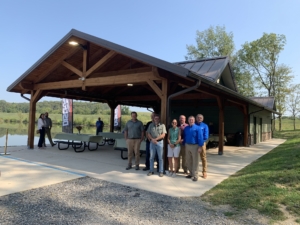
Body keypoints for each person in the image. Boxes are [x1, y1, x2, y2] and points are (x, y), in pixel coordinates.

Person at [183, 116, 204, 182]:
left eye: (192, 120)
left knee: (195, 161)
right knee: (188, 160)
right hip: (187, 145)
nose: (191, 121)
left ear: (194, 120)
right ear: (188, 121)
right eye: (190, 120)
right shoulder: (186, 128)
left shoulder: (198, 128)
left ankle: (195, 175)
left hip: (195, 146)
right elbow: (185, 136)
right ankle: (191, 173)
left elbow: (200, 137)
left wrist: (200, 146)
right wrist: (184, 144)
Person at [195, 114, 209, 179]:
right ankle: (195, 172)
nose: (199, 119)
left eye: (200, 118)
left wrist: (200, 144)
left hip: (202, 143)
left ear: (202, 119)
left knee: (203, 157)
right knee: (194, 158)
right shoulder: (194, 125)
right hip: (194, 144)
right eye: (198, 117)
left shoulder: (205, 126)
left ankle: (204, 172)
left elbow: (206, 136)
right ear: (196, 118)